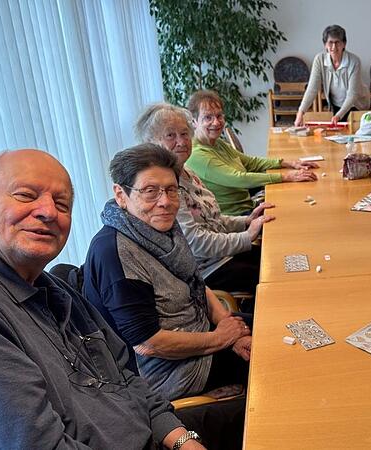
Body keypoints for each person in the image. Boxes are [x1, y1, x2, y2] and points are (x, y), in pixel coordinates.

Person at [0, 149, 204, 449]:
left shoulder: (51, 288)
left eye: (61, 204)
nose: (48, 212)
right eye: (25, 195)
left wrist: (182, 440)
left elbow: (127, 378)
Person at [83, 144, 252, 448]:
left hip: (202, 335)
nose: (165, 202)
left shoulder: (164, 228)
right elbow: (148, 344)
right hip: (169, 371)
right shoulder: (115, 252)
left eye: (172, 190)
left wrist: (230, 326)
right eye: (150, 191)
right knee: (273, 372)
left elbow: (198, 284)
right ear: (121, 195)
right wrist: (222, 339)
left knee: (273, 326)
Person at [135, 102, 273, 297]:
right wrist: (246, 236)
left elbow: (212, 219)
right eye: (170, 135)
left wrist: (246, 221)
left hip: (224, 256)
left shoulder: (188, 172)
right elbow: (195, 242)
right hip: (206, 272)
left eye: (184, 134)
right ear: (151, 142)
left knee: (275, 256)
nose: (181, 142)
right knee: (272, 275)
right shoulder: (166, 189)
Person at [186, 90, 319, 215]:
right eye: (208, 118)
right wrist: (286, 177)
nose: (216, 122)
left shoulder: (217, 143)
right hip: (235, 218)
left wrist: (288, 163)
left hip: (248, 206)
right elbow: (239, 178)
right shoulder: (197, 154)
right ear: (194, 122)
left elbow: (250, 162)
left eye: (219, 116)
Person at [294, 24, 370, 126]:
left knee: (354, 137)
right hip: (336, 105)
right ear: (325, 45)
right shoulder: (319, 60)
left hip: (356, 105)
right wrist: (300, 112)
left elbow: (353, 94)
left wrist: (339, 115)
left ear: (344, 44)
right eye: (330, 43)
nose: (334, 47)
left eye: (337, 42)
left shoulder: (354, 61)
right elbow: (312, 88)